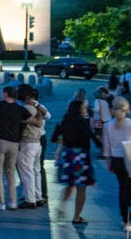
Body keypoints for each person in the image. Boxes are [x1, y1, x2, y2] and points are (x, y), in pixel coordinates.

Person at [53, 99, 95, 224]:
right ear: (80, 110)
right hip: (81, 156)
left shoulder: (63, 122)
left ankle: (61, 204)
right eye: (83, 108)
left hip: (68, 155)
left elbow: (54, 138)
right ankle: (77, 217)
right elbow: (90, 141)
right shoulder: (83, 123)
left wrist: (65, 142)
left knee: (69, 184)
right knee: (81, 188)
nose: (85, 110)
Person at [17, 87, 50, 208]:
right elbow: (45, 117)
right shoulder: (38, 109)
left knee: (27, 171)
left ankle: (30, 199)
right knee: (36, 170)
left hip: (27, 142)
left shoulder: (24, 109)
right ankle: (39, 196)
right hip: (38, 142)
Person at [102, 96, 131, 230]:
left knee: (123, 188)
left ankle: (125, 220)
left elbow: (106, 147)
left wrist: (109, 162)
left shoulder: (108, 125)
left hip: (116, 159)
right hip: (129, 158)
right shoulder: (130, 124)